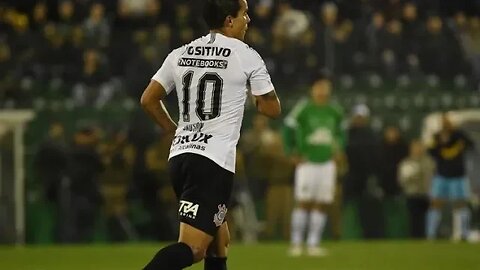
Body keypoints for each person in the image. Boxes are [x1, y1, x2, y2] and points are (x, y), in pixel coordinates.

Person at [140, 0, 281, 269]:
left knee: (220, 243)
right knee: (194, 249)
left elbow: (148, 99)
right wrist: (252, 94)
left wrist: (174, 130)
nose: (248, 20)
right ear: (229, 20)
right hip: (213, 162)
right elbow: (271, 109)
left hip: (181, 156)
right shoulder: (245, 54)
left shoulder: (181, 52)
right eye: (244, 14)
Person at [283, 76, 344, 256]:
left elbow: (341, 133)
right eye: (319, 86)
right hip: (307, 161)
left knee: (321, 202)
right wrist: (291, 151)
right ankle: (296, 243)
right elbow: (287, 128)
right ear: (313, 89)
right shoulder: (304, 108)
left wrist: (338, 149)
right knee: (303, 201)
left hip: (327, 162)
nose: (323, 90)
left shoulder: (335, 110)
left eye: (326, 87)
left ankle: (313, 243)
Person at [426, 113, 475, 241]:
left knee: (461, 204)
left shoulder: (459, 135)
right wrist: (440, 143)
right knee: (435, 203)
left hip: (458, 175)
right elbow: (431, 152)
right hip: (441, 174)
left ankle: (464, 233)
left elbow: (471, 145)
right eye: (444, 121)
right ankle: (431, 234)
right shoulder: (436, 137)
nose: (446, 123)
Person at [398, 139, 434, 238]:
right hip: (412, 194)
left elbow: (432, 176)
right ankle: (414, 238)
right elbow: (402, 179)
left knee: (426, 218)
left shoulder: (428, 161)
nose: (417, 149)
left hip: (426, 194)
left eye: (419, 147)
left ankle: (426, 237)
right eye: (415, 147)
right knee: (414, 218)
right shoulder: (407, 162)